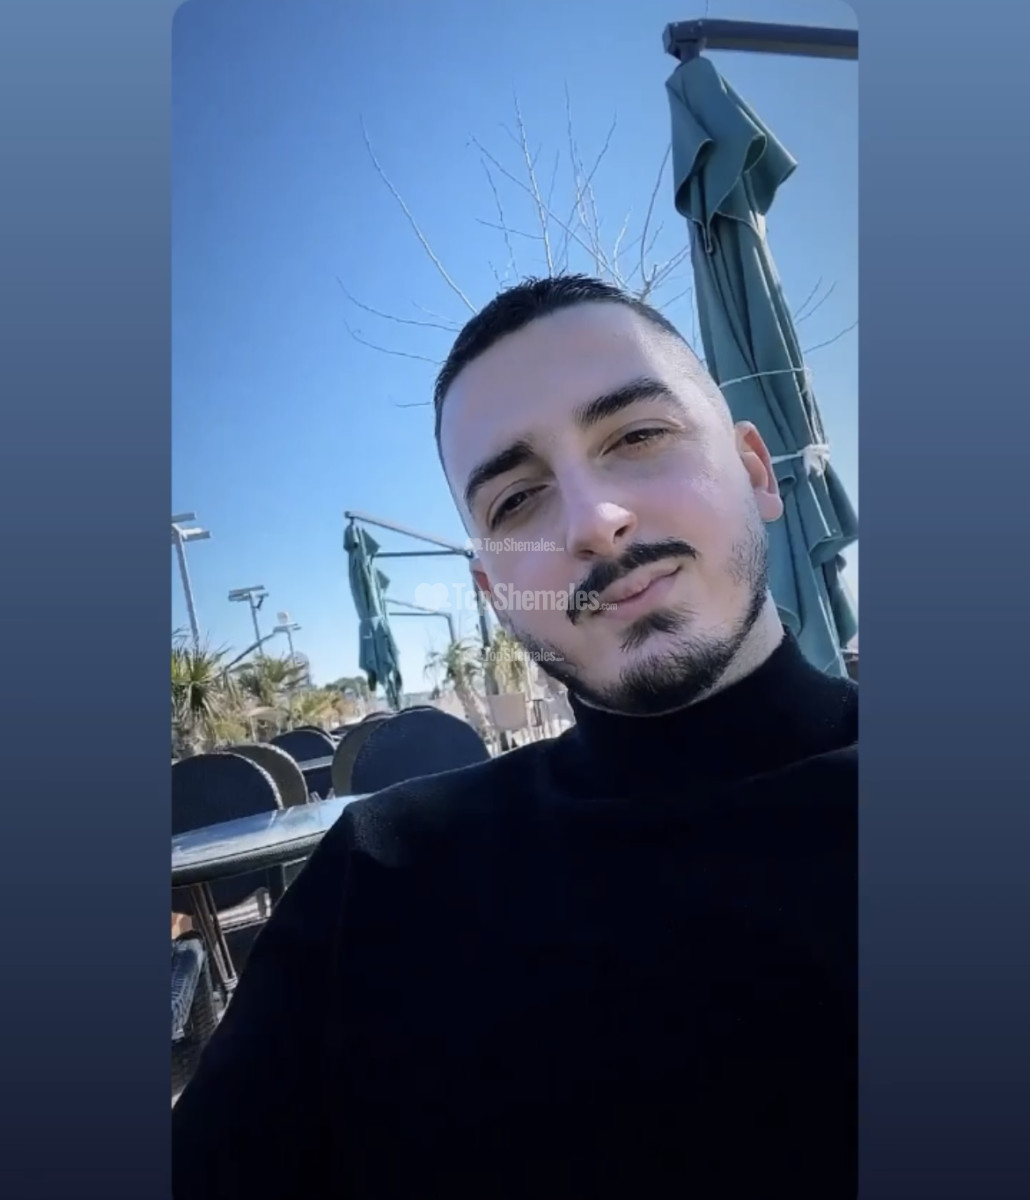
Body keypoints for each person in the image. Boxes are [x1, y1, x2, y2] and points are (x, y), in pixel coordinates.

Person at [172, 275, 857, 1198]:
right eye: (517, 500)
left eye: (638, 436)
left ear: (757, 472)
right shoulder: (380, 880)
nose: (594, 523)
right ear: (495, 595)